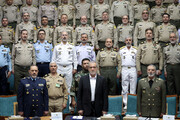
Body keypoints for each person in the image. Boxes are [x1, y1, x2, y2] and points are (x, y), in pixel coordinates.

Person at [12, 29, 36, 93]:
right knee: (17, 86)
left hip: (28, 68)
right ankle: (16, 100)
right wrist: (12, 68)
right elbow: (13, 57)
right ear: (20, 35)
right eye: (23, 34)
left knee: (29, 85)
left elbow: (33, 57)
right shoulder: (16, 45)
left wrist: (34, 67)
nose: (25, 35)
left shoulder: (31, 45)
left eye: (26, 34)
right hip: (18, 68)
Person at [119, 37, 137, 110]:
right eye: (127, 40)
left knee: (133, 87)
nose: (128, 41)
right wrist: (119, 71)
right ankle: (125, 104)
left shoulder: (135, 50)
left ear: (132, 41)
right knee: (124, 87)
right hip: (124, 69)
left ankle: (132, 103)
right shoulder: (121, 50)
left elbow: (137, 60)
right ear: (125, 41)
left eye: (130, 40)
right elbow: (119, 61)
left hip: (133, 68)